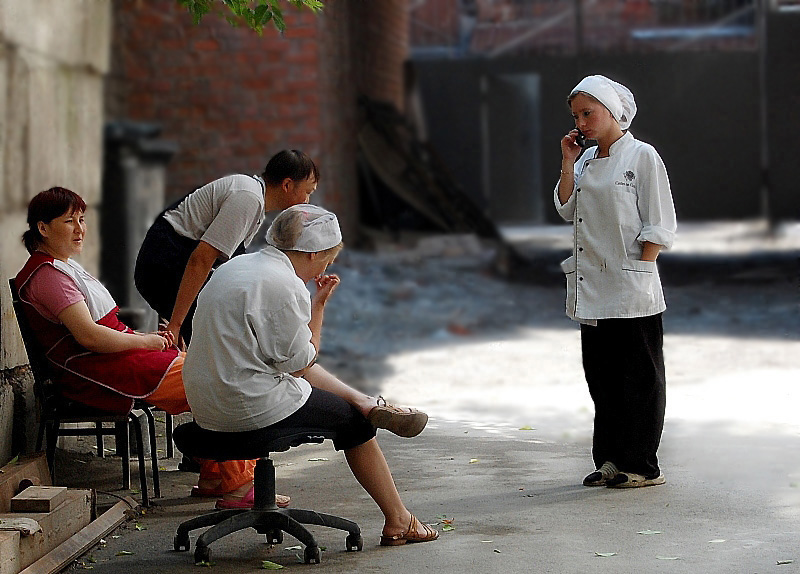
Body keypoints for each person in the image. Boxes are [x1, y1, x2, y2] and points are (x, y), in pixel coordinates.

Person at [15, 187, 286, 508]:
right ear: (43, 228)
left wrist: (147, 342)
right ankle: (239, 484)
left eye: (82, 219)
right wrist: (146, 341)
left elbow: (101, 333)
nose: (79, 229)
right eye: (68, 221)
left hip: (112, 360)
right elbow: (90, 337)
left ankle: (216, 474)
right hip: (96, 369)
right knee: (223, 383)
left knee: (216, 371)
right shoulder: (48, 276)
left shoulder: (59, 267)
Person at [182, 204, 437, 545]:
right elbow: (301, 363)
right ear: (314, 252)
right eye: (327, 260)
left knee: (332, 398)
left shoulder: (236, 267)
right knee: (354, 423)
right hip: (248, 405)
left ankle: (365, 401)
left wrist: (314, 307)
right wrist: (317, 310)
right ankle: (399, 520)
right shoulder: (284, 285)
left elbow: (290, 358)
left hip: (205, 406)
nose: (325, 267)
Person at [554, 75, 677, 488]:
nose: (582, 123)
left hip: (631, 288)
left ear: (612, 111)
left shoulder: (643, 157)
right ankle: (609, 459)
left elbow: (659, 224)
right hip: (593, 286)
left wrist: (641, 269)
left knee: (639, 380)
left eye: (588, 113)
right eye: (576, 116)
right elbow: (567, 210)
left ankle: (642, 464)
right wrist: (568, 162)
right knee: (602, 379)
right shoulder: (586, 161)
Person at [134, 149, 319, 347]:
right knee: (211, 338)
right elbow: (201, 259)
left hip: (172, 263)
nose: (307, 200)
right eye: (307, 192)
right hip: (163, 264)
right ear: (287, 185)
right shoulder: (248, 198)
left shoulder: (253, 199)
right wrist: (176, 324)